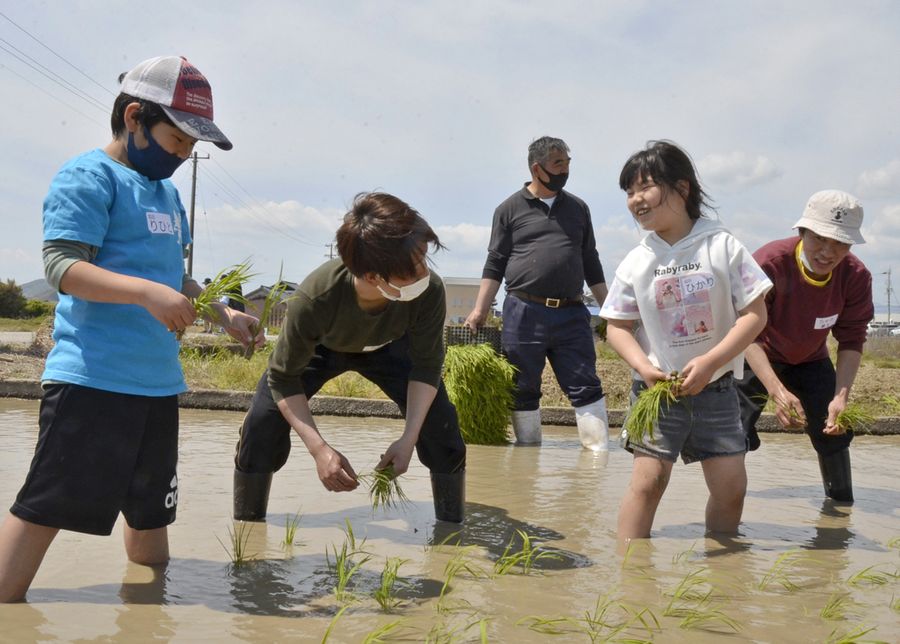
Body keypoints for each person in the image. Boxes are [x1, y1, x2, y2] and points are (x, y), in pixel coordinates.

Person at [0, 56, 261, 602]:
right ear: (135, 116)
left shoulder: (165, 195)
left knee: (151, 512)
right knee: (44, 506)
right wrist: (145, 293)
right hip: (93, 380)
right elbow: (62, 268)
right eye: (176, 139)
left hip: (157, 385)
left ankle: (148, 616)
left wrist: (223, 313)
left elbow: (175, 278)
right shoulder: (88, 176)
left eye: (192, 146)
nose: (183, 155)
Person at [233, 192, 467, 524]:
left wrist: (408, 438)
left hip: (390, 348)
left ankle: (450, 528)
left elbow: (427, 367)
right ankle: (247, 527)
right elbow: (283, 379)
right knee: (261, 426)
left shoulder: (428, 292)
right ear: (373, 276)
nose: (424, 274)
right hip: (322, 349)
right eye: (412, 269)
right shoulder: (314, 299)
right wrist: (319, 450)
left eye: (424, 259)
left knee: (442, 427)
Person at [600, 141, 772, 541]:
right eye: (629, 192)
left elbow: (755, 315)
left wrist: (711, 362)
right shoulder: (638, 260)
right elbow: (616, 327)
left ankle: (724, 567)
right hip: (657, 392)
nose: (635, 200)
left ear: (682, 188)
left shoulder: (722, 245)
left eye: (645, 187)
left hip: (718, 389)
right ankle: (631, 576)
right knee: (648, 483)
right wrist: (644, 368)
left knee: (731, 487)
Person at [464, 136, 610, 451]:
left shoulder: (578, 208)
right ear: (537, 168)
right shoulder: (508, 209)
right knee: (522, 386)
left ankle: (597, 455)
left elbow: (591, 261)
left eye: (568, 164)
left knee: (586, 384)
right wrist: (479, 310)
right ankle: (527, 455)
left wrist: (609, 310)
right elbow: (495, 263)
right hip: (523, 312)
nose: (565, 170)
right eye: (558, 164)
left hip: (572, 313)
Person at [735, 190, 873, 503]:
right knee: (733, 432)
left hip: (811, 358)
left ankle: (840, 510)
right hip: (757, 353)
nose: (828, 252)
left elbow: (852, 338)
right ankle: (727, 514)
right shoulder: (769, 263)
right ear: (802, 232)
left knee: (834, 432)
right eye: (819, 239)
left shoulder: (855, 276)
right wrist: (777, 390)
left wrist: (841, 397)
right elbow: (746, 333)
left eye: (840, 243)